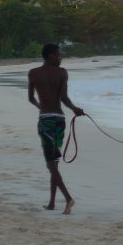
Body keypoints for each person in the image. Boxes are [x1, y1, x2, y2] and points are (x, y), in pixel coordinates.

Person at [27, 43, 84, 214]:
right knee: (54, 163)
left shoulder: (34, 73)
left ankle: (68, 198)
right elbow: (64, 98)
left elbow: (30, 98)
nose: (60, 57)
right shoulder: (62, 73)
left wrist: (42, 108)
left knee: (51, 164)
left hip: (46, 121)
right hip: (60, 120)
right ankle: (52, 203)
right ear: (50, 56)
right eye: (58, 55)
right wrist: (75, 109)